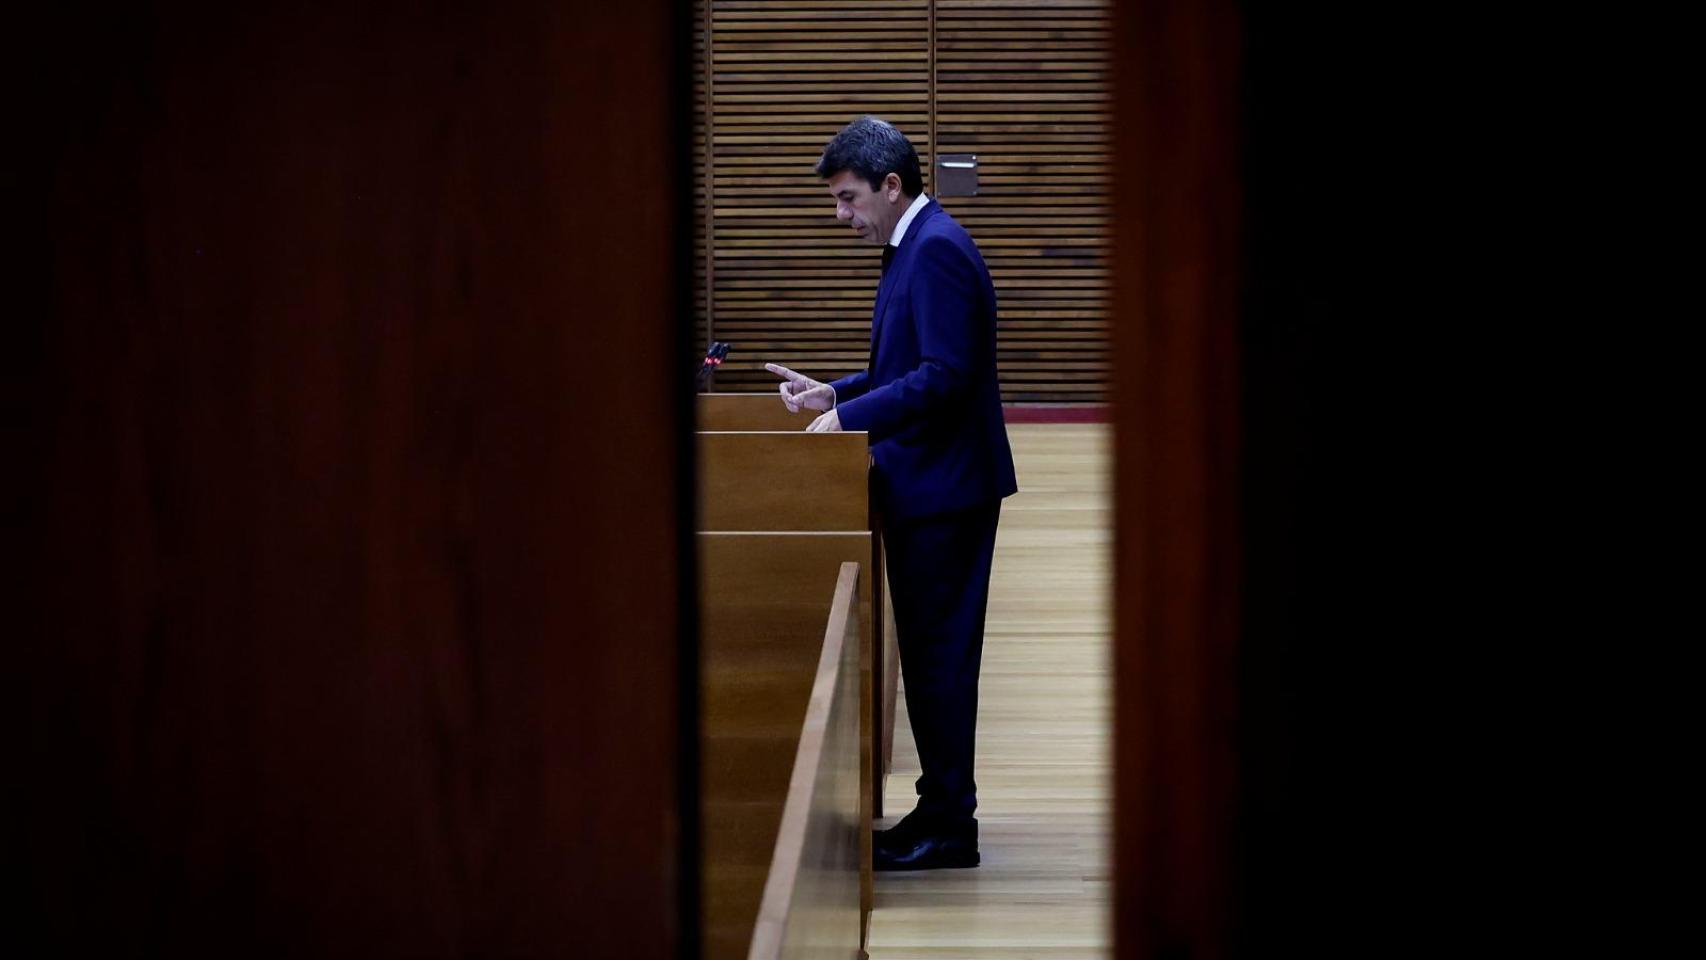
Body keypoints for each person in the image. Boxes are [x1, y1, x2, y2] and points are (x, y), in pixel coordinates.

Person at [764, 116, 1017, 871]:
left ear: (891, 185)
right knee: (932, 657)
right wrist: (831, 393)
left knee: (940, 662)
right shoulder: (916, 245)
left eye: (847, 200)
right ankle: (938, 813)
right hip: (930, 486)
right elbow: (906, 365)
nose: (841, 216)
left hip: (946, 492)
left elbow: (945, 378)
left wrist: (852, 417)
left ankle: (950, 827)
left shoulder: (936, 251)